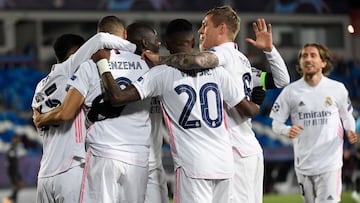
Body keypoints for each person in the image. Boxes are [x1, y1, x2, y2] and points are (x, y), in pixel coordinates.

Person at [91, 18, 261, 203]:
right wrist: (259, 92)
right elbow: (250, 110)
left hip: (193, 165)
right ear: (194, 42)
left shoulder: (161, 73)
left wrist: (102, 63)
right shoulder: (218, 72)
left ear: (165, 44)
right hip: (225, 164)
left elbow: (117, 98)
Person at [142, 6, 289, 203]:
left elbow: (200, 61)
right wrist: (270, 51)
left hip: (234, 150)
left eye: (205, 25)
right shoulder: (242, 61)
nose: (200, 31)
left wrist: (159, 59)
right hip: (248, 148)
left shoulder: (222, 55)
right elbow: (281, 80)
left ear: (221, 28)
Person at [33, 16, 154, 203]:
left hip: (45, 174)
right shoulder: (75, 69)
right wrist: (133, 49)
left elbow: (37, 118)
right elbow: (66, 113)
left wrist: (41, 119)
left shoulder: (41, 85)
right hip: (71, 169)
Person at [269, 43, 358, 203]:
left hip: (330, 162)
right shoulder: (290, 91)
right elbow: (276, 123)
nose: (308, 59)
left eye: (313, 55)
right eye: (304, 56)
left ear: (324, 62)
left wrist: (350, 129)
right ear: (300, 63)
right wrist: (286, 130)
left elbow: (347, 116)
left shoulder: (337, 89)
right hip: (303, 163)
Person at [3, 135, 25, 203]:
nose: (18, 140)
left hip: (15, 170)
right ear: (14, 139)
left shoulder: (15, 147)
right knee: (17, 185)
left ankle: (12, 198)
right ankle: (10, 198)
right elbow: (9, 161)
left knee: (18, 185)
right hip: (13, 171)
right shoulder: (11, 147)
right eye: (17, 139)